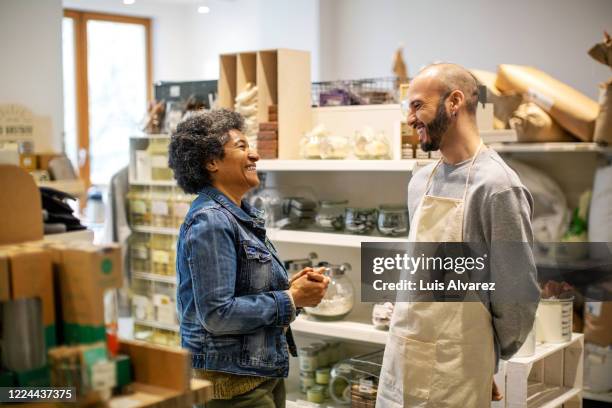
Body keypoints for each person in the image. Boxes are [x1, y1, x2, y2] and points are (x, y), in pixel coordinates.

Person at [376, 63, 540, 407]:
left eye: (418, 105)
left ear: (454, 102)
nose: (410, 119)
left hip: (458, 366)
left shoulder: (497, 186)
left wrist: (486, 359)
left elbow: (517, 294)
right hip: (404, 357)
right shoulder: (421, 180)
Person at [169, 109, 329, 408]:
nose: (254, 154)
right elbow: (217, 314)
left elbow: (240, 291)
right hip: (233, 387)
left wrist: (291, 291)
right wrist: (291, 299)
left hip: (256, 375)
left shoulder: (236, 216)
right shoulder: (212, 221)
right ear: (211, 162)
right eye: (241, 146)